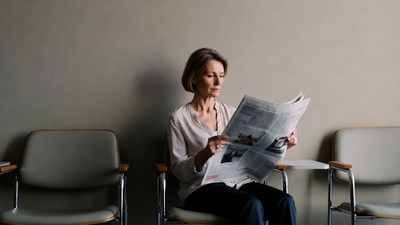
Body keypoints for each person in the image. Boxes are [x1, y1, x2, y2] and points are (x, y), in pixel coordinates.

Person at [167, 48, 298, 225]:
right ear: (194, 78)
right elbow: (178, 171)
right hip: (200, 188)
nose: (218, 82)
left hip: (238, 182)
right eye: (210, 75)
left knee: (285, 201)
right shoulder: (179, 118)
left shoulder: (232, 113)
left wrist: (282, 143)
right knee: (250, 204)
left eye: (221, 76)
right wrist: (205, 153)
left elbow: (252, 152)